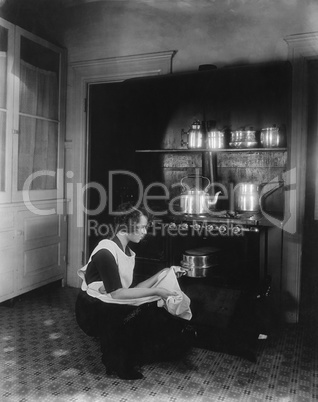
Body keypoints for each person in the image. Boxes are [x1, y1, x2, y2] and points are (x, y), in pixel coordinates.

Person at [75, 202, 195, 380]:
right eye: (142, 227)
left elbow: (128, 290)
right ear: (127, 226)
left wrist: (164, 274)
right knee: (143, 310)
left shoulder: (125, 250)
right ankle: (118, 363)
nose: (145, 232)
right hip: (91, 309)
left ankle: (132, 356)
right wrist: (158, 292)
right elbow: (117, 294)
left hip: (106, 300)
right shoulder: (106, 251)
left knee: (149, 306)